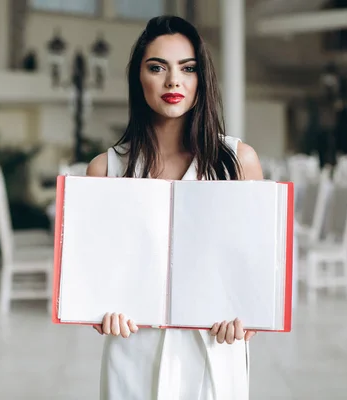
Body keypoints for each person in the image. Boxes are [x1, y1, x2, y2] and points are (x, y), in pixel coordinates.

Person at [86, 15, 264, 400]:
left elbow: (256, 271)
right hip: (134, 347)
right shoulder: (106, 169)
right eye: (157, 68)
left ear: (202, 79)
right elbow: (94, 277)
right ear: (138, 77)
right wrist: (100, 311)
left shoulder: (237, 161)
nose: (173, 82)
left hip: (215, 345)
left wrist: (249, 316)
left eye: (188, 68)